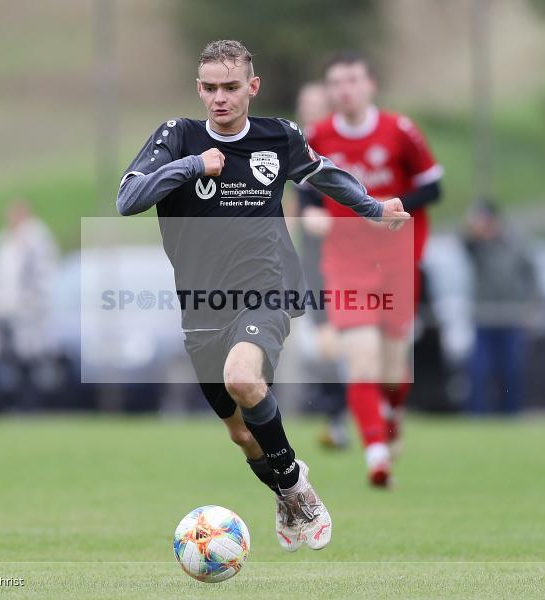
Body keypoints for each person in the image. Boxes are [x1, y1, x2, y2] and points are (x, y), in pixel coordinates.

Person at [116, 40, 410, 551]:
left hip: (266, 288)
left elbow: (324, 175)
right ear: (199, 89)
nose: (219, 98)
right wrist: (189, 167)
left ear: (252, 87)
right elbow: (127, 199)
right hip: (202, 307)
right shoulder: (178, 136)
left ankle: (299, 490)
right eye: (209, 88)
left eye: (231, 87)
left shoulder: (279, 137)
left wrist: (371, 208)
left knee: (242, 379)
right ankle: (284, 483)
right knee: (243, 435)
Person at [307, 51, 444, 487]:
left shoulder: (399, 131)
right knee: (361, 362)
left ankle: (395, 412)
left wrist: (392, 212)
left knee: (392, 370)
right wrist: (311, 214)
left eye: (352, 80)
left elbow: (433, 187)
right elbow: (307, 190)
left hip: (398, 262)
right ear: (330, 92)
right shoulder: (317, 136)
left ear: (370, 86)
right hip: (346, 264)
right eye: (337, 82)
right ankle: (377, 456)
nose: (345, 89)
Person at [291, 82, 349, 450]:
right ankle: (337, 417)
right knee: (328, 342)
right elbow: (299, 204)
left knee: (349, 340)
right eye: (305, 105)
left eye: (317, 105)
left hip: (350, 259)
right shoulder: (296, 150)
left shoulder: (340, 151)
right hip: (316, 261)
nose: (310, 112)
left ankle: (349, 415)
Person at [463, 199, 536, 415]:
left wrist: (531, 304)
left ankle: (510, 415)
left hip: (511, 317)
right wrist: (474, 228)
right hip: (485, 318)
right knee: (479, 369)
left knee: (512, 370)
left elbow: (531, 275)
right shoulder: (477, 246)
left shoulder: (515, 244)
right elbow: (464, 243)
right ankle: (476, 416)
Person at [0, 200, 59, 410]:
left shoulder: (36, 239)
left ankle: (33, 408)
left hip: (30, 314)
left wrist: (32, 303)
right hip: (5, 311)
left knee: (31, 362)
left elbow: (44, 275)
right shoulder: (3, 240)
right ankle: (14, 407)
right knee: (10, 364)